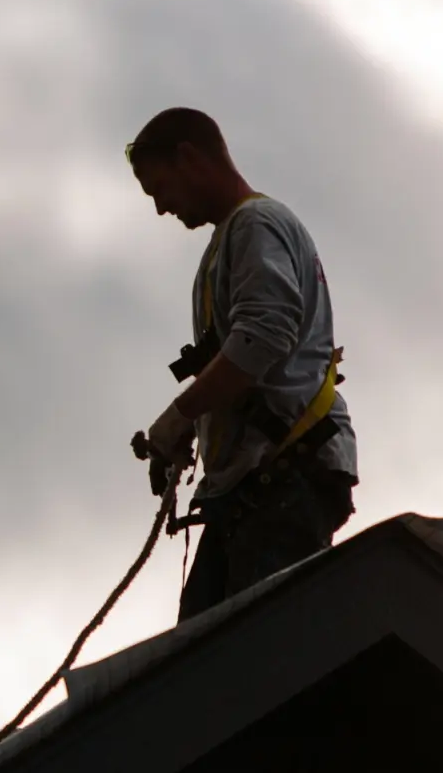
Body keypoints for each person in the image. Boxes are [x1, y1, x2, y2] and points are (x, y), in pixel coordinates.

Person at [126, 107, 359, 621]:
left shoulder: (256, 224)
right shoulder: (230, 242)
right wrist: (192, 430)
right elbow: (242, 357)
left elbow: (263, 336)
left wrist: (179, 417)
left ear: (189, 157)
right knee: (195, 659)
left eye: (160, 188)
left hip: (283, 478)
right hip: (253, 488)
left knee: (246, 657)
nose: (162, 208)